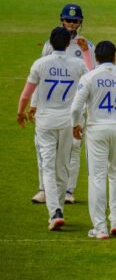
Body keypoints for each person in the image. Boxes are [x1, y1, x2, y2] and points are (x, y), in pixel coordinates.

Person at [71, 41, 116, 239]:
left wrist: (75, 124)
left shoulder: (89, 77)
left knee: (96, 177)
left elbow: (75, 108)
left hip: (97, 129)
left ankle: (100, 227)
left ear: (96, 57)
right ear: (115, 56)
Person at [17, 27, 88, 231]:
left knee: (48, 166)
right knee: (62, 165)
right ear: (68, 44)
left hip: (45, 121)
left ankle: (55, 212)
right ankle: (58, 208)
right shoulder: (78, 64)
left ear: (50, 42)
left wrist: (21, 112)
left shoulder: (40, 64)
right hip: (67, 121)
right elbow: (91, 81)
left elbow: (25, 95)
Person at [30, 3, 95, 205]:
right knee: (45, 149)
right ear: (61, 20)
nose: (71, 24)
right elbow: (39, 76)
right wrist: (34, 103)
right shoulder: (50, 45)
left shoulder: (87, 46)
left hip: (75, 107)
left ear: (80, 23)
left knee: (73, 148)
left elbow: (93, 76)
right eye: (68, 20)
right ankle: (44, 189)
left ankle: (68, 190)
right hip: (49, 104)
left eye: (75, 21)